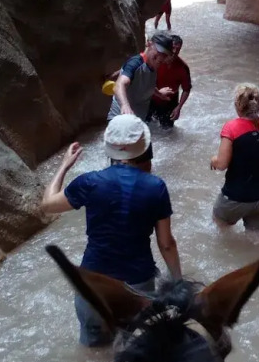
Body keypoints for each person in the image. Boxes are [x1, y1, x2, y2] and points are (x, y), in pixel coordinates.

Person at [41, 114, 182, 346]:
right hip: (137, 286)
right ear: (144, 147)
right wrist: (178, 282)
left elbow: (47, 205)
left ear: (109, 147)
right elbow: (166, 244)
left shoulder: (89, 182)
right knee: (133, 349)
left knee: (94, 352)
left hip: (93, 286)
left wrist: (64, 166)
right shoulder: (156, 187)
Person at [210, 84, 259, 231]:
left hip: (235, 197)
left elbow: (222, 164)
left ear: (238, 106)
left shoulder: (231, 128)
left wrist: (213, 160)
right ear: (258, 105)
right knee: (257, 240)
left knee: (219, 224)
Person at [109, 32, 176, 126]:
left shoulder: (153, 66)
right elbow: (119, 84)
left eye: (165, 54)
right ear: (149, 44)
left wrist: (159, 94)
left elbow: (145, 85)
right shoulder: (135, 63)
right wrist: (125, 105)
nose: (161, 57)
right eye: (159, 51)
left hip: (137, 120)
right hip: (121, 119)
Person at [147, 35, 192, 128]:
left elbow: (186, 89)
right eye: (173, 48)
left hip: (169, 102)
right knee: (147, 127)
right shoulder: (155, 61)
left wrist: (178, 107)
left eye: (178, 49)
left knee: (167, 131)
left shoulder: (183, 67)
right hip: (151, 99)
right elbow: (143, 78)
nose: (175, 52)